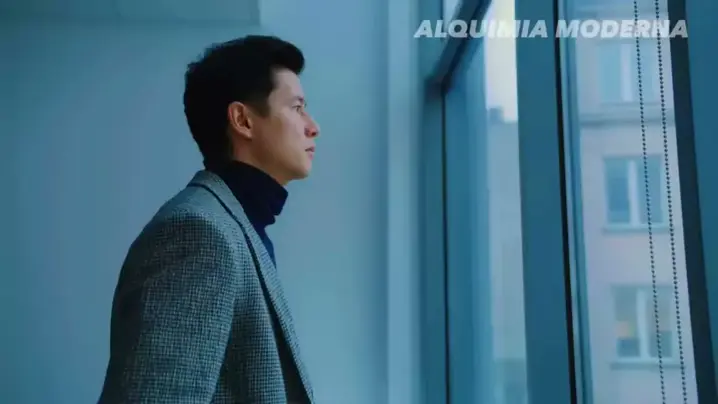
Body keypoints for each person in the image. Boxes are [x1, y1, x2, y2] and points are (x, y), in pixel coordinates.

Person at [98, 35, 320, 404]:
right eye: (297, 108)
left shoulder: (236, 224)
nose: (313, 127)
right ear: (242, 120)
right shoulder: (199, 232)